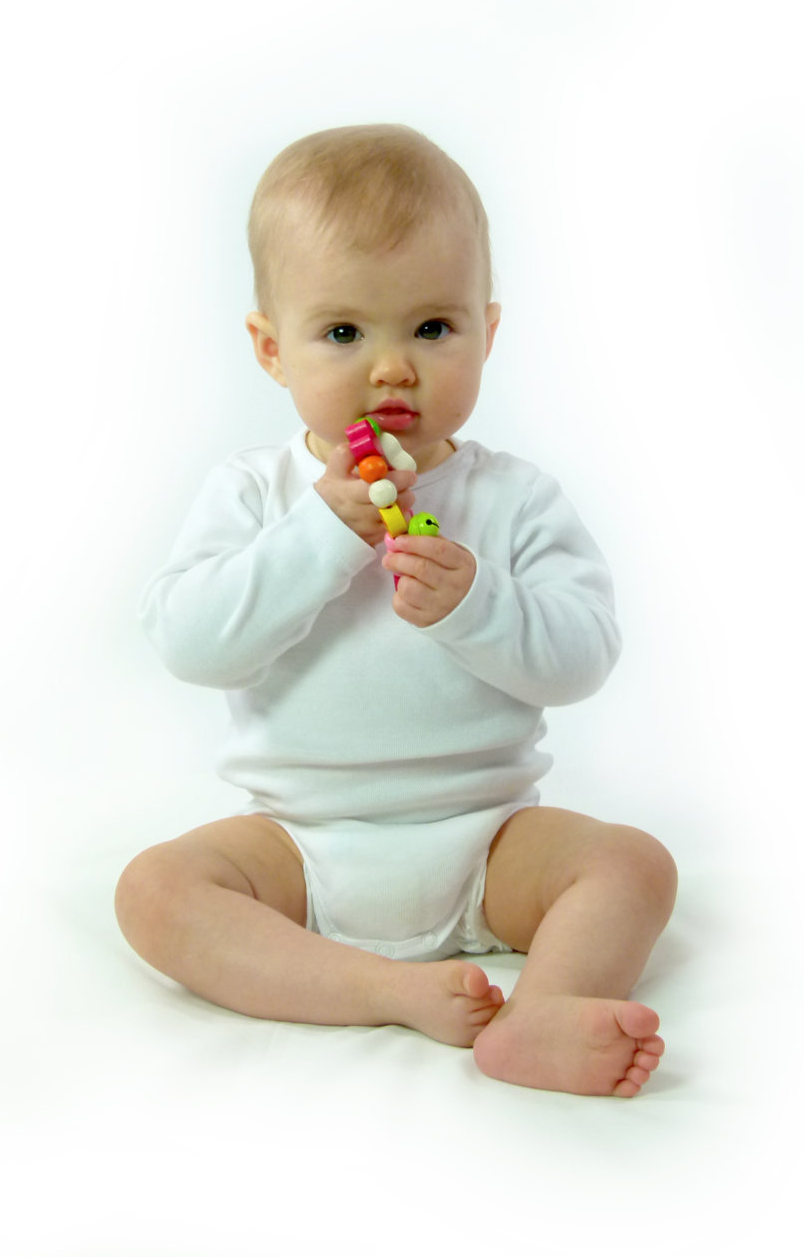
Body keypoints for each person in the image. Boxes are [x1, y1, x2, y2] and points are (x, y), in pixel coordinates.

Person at [115, 124, 677, 1096]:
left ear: (486, 331)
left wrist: (477, 602)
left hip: (489, 837)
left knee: (634, 867)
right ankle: (381, 990)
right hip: (299, 842)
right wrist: (319, 536)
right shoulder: (254, 493)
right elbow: (191, 643)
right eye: (344, 333)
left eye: (432, 328)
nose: (392, 368)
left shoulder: (514, 499)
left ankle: (541, 1015)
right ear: (271, 349)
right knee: (154, 893)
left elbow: (584, 656)